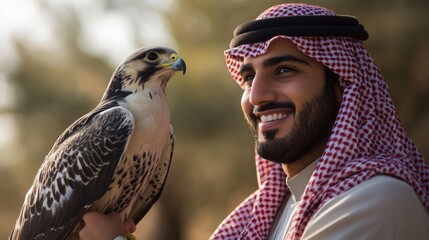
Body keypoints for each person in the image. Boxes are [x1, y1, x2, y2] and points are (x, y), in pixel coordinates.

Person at [80, 3, 429, 239]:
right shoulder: (266, 212)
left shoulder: (376, 198)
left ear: (342, 85)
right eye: (248, 77)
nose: (257, 95)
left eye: (285, 70)